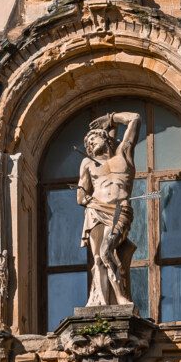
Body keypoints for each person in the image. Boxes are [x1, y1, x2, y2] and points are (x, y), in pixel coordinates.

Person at [76, 111, 141, 306]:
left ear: (105, 138)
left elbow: (135, 118)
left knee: (106, 251)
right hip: (96, 211)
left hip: (119, 211)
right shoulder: (88, 163)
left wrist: (111, 118)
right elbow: (81, 195)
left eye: (93, 139)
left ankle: (121, 296)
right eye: (88, 144)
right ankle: (102, 302)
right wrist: (87, 199)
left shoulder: (124, 154)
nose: (90, 144)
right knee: (98, 259)